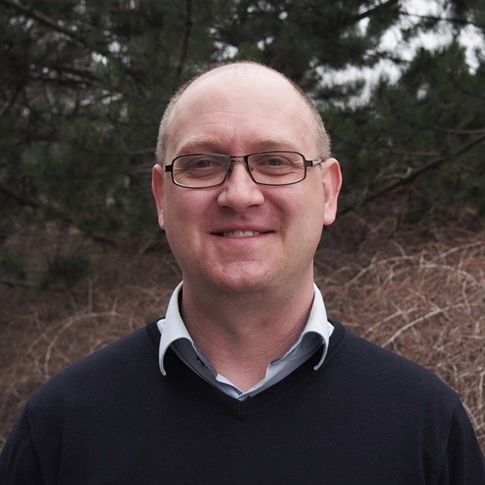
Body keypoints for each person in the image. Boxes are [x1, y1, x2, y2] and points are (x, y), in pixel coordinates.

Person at [1, 61, 484, 484]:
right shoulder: (60, 427)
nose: (239, 195)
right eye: (201, 164)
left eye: (275, 162)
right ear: (161, 197)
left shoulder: (426, 425)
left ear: (328, 192)